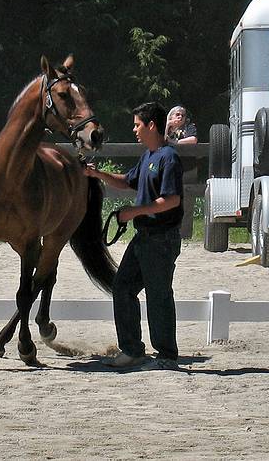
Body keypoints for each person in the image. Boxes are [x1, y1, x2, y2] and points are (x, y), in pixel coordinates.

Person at [83, 102, 184, 370]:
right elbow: (127, 181)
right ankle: (132, 349)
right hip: (144, 237)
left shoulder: (168, 157)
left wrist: (134, 212)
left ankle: (166, 356)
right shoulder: (148, 157)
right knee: (123, 287)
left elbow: (172, 200)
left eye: (138, 124)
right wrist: (97, 174)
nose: (134, 129)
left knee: (158, 294)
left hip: (161, 238)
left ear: (152, 125)